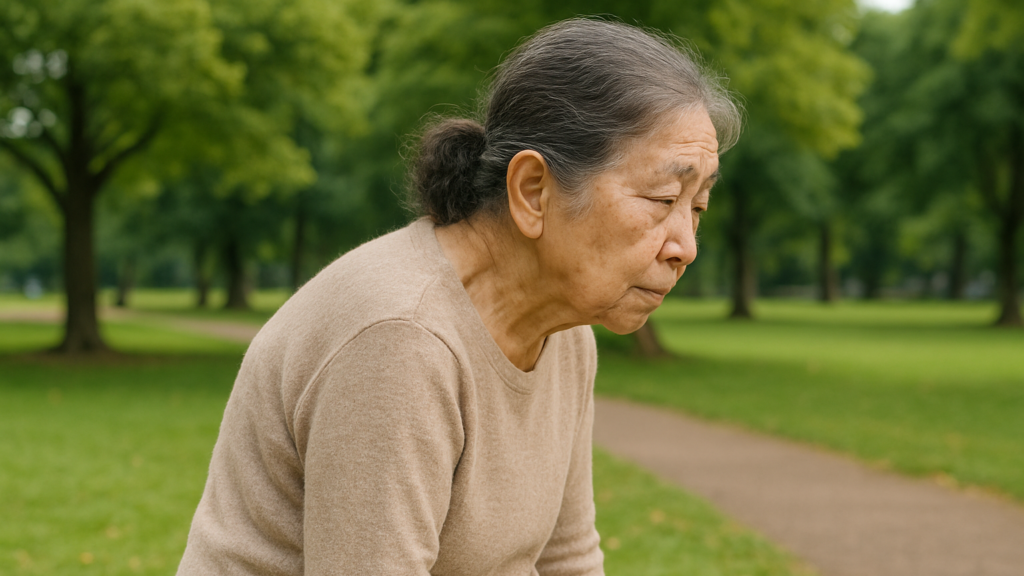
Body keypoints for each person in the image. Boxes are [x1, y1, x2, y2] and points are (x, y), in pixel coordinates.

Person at [176, 17, 740, 576]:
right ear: (533, 191)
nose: (685, 247)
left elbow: (566, 559)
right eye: (663, 198)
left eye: (697, 208)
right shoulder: (401, 339)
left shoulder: (564, 333)